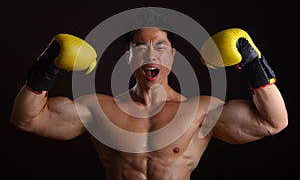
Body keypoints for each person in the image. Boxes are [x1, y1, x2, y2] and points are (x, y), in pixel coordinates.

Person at [11, 13, 288, 179]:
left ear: (172, 56)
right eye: (140, 47)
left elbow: (272, 122)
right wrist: (46, 65)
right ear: (128, 58)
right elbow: (27, 119)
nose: (151, 53)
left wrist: (253, 63)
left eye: (160, 46)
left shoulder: (200, 111)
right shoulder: (99, 109)